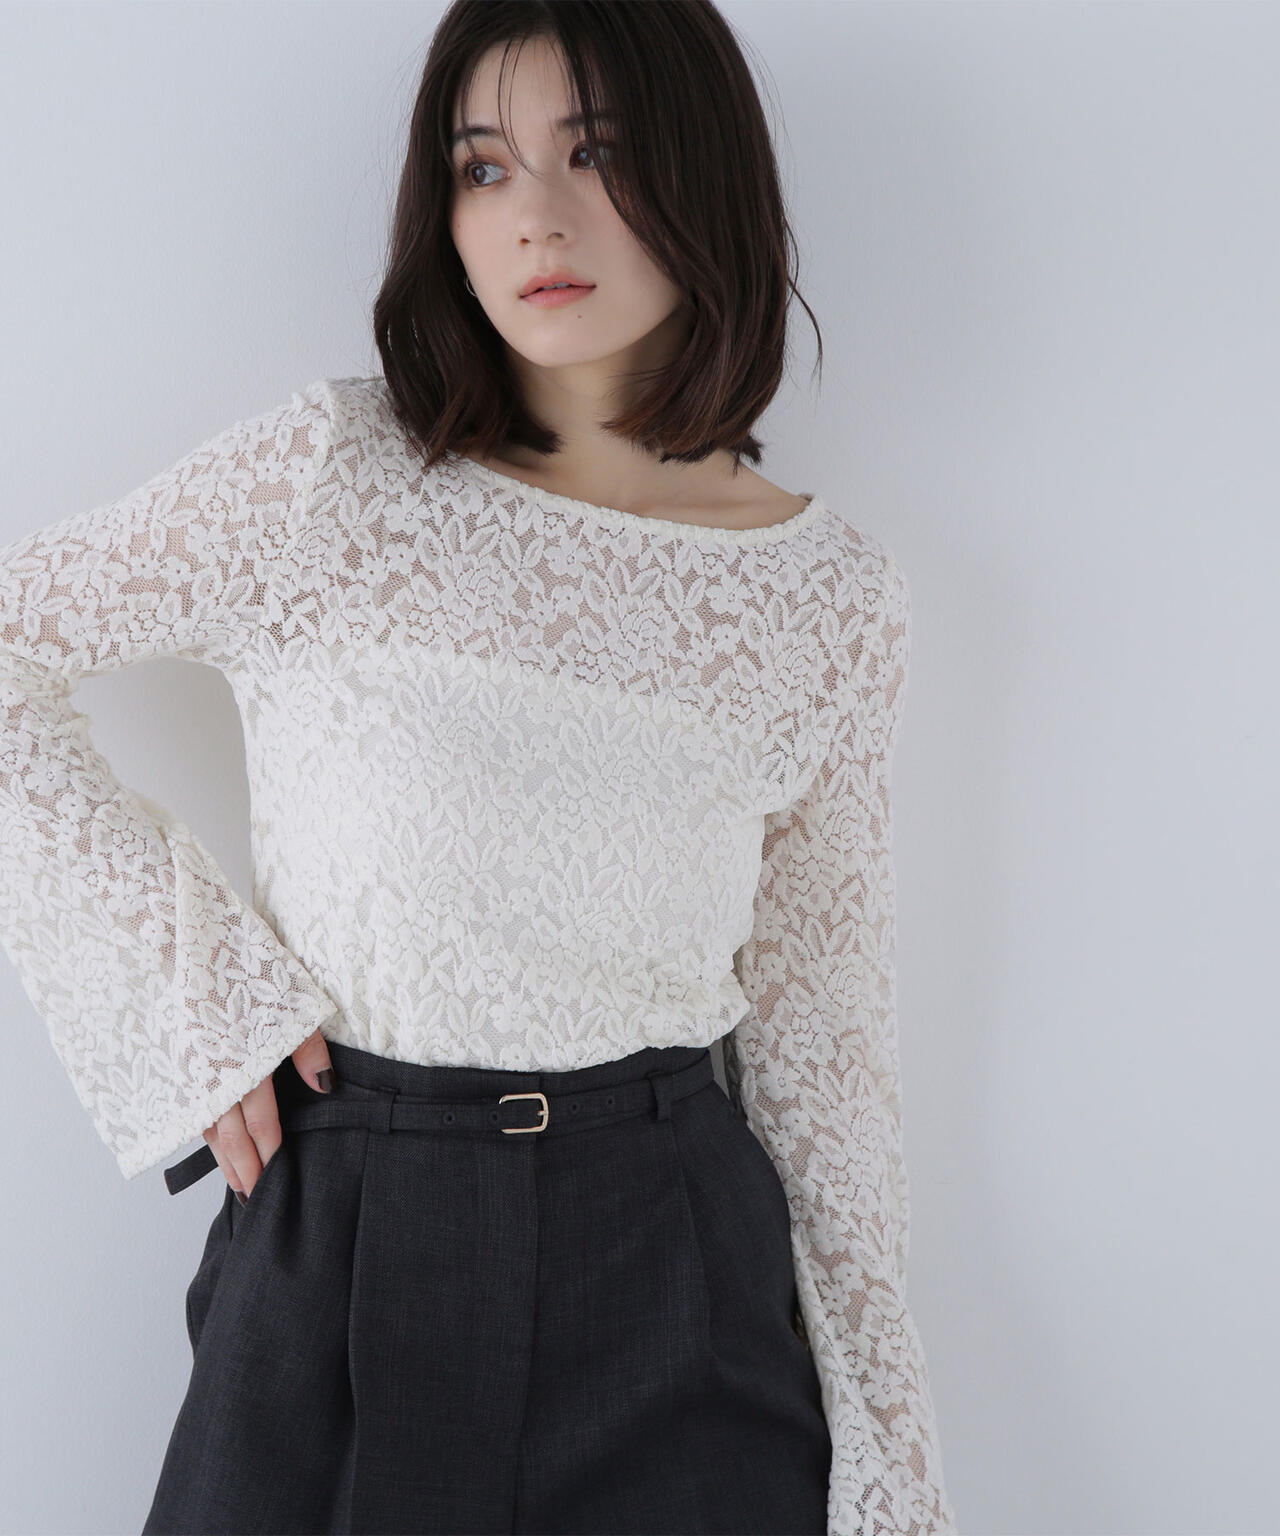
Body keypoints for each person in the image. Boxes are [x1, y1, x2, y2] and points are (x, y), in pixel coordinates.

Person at [0, 2, 957, 1533]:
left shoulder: (829, 602)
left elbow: (825, 1044)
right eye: (484, 166)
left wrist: (893, 1460)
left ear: (705, 173)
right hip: (343, 1239)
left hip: (678, 1273)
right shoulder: (330, 481)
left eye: (598, 154)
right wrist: (194, 997)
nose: (537, 219)